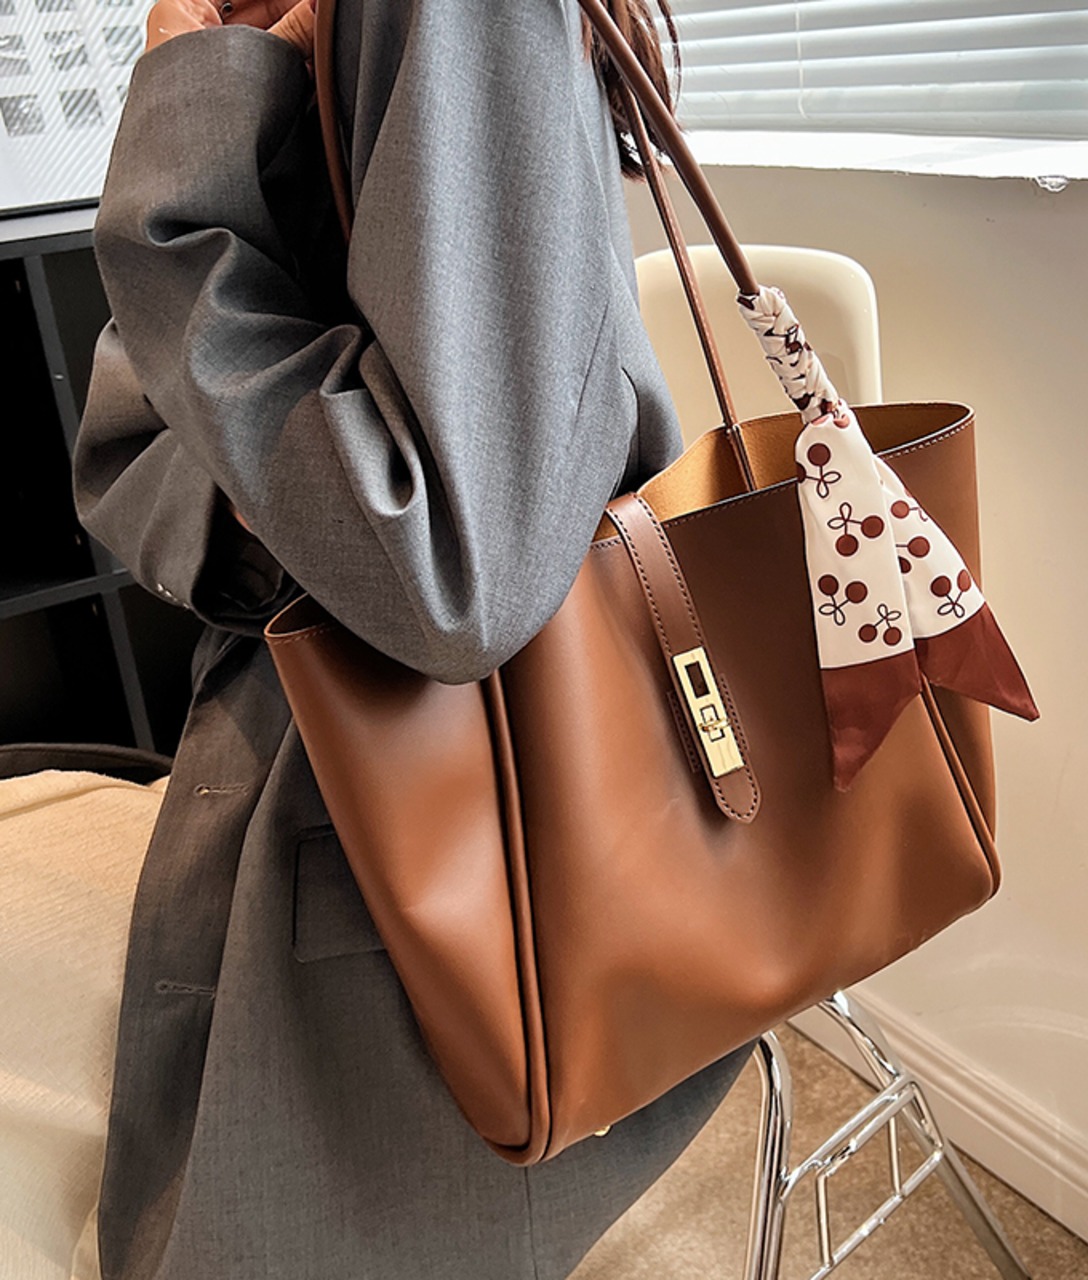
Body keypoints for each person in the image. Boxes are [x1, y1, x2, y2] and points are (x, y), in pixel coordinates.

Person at [72, 0, 751, 1275]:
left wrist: (184, 144)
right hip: (333, 787)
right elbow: (122, 449)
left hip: (407, 842)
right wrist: (307, 504)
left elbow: (448, 572)